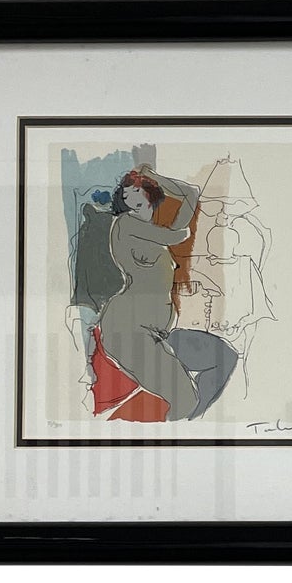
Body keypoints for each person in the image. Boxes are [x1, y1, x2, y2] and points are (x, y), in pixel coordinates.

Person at [96, 166, 236, 421]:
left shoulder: (152, 234)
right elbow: (178, 235)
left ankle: (192, 426)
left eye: (136, 190)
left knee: (224, 357)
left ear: (150, 193)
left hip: (158, 333)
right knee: (185, 399)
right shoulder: (125, 225)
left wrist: (156, 177)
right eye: (125, 194)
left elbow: (191, 194)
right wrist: (181, 232)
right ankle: (178, 430)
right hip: (128, 331)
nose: (130, 198)